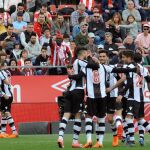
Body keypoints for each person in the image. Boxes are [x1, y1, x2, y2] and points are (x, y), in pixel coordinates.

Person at [57, 47, 87, 148]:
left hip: (69, 91)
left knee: (66, 114)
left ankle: (60, 137)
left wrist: (70, 76)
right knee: (78, 115)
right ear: (83, 53)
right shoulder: (82, 62)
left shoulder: (74, 63)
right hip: (78, 91)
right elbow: (81, 75)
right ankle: (75, 141)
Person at [0, 60, 18, 138]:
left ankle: (14, 131)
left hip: (6, 95)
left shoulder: (2, 73)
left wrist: (3, 94)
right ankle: (2, 132)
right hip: (5, 95)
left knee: (6, 113)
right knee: (3, 113)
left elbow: (7, 82)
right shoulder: (6, 72)